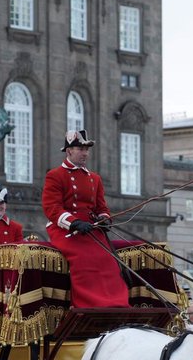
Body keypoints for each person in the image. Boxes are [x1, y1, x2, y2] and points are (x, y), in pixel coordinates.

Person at [42, 129, 129, 308]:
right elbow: (52, 208)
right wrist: (73, 222)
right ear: (69, 151)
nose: (85, 153)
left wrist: (104, 219)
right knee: (83, 259)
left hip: (90, 228)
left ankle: (116, 303)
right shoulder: (55, 175)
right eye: (80, 149)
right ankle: (89, 306)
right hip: (65, 229)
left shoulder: (94, 178)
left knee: (108, 259)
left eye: (86, 150)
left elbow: (101, 207)